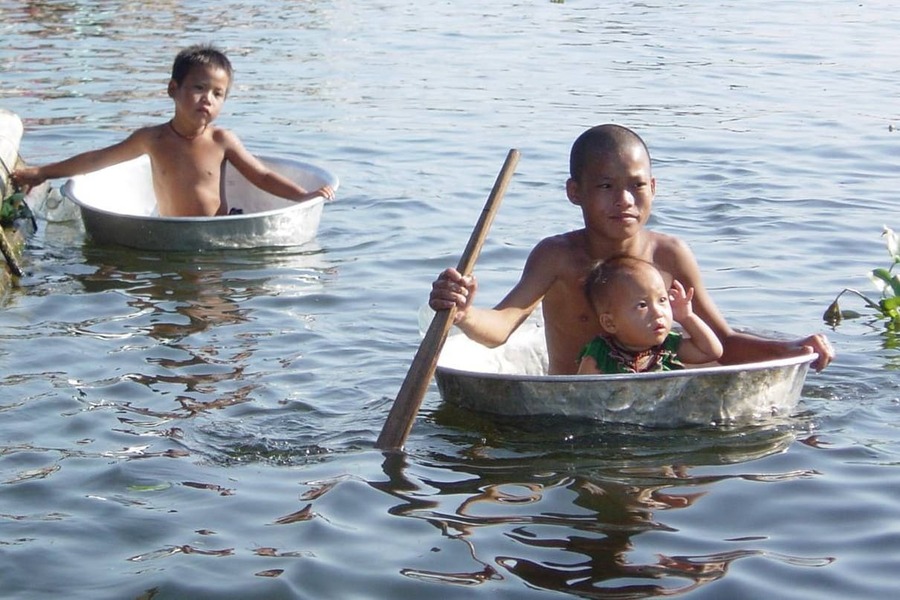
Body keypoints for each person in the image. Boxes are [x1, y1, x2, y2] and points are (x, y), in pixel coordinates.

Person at [429, 124, 834, 375]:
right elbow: (501, 326)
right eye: (606, 186)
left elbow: (722, 342)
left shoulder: (670, 255)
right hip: (574, 405)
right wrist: (463, 313)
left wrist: (792, 349)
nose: (623, 199)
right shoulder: (558, 257)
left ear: (653, 189)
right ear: (576, 193)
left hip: (653, 394)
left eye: (636, 185)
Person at [11, 44, 334, 217]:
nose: (207, 99)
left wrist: (304, 196)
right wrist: (43, 171)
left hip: (217, 231)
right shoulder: (153, 139)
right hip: (170, 230)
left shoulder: (222, 140)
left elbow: (261, 176)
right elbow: (99, 160)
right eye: (198, 88)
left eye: (217, 94)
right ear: (173, 89)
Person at [576, 255, 722, 374]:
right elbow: (584, 392)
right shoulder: (600, 353)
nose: (658, 312)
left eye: (662, 300)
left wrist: (687, 317)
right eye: (642, 305)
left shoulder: (668, 346)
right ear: (610, 323)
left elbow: (711, 352)